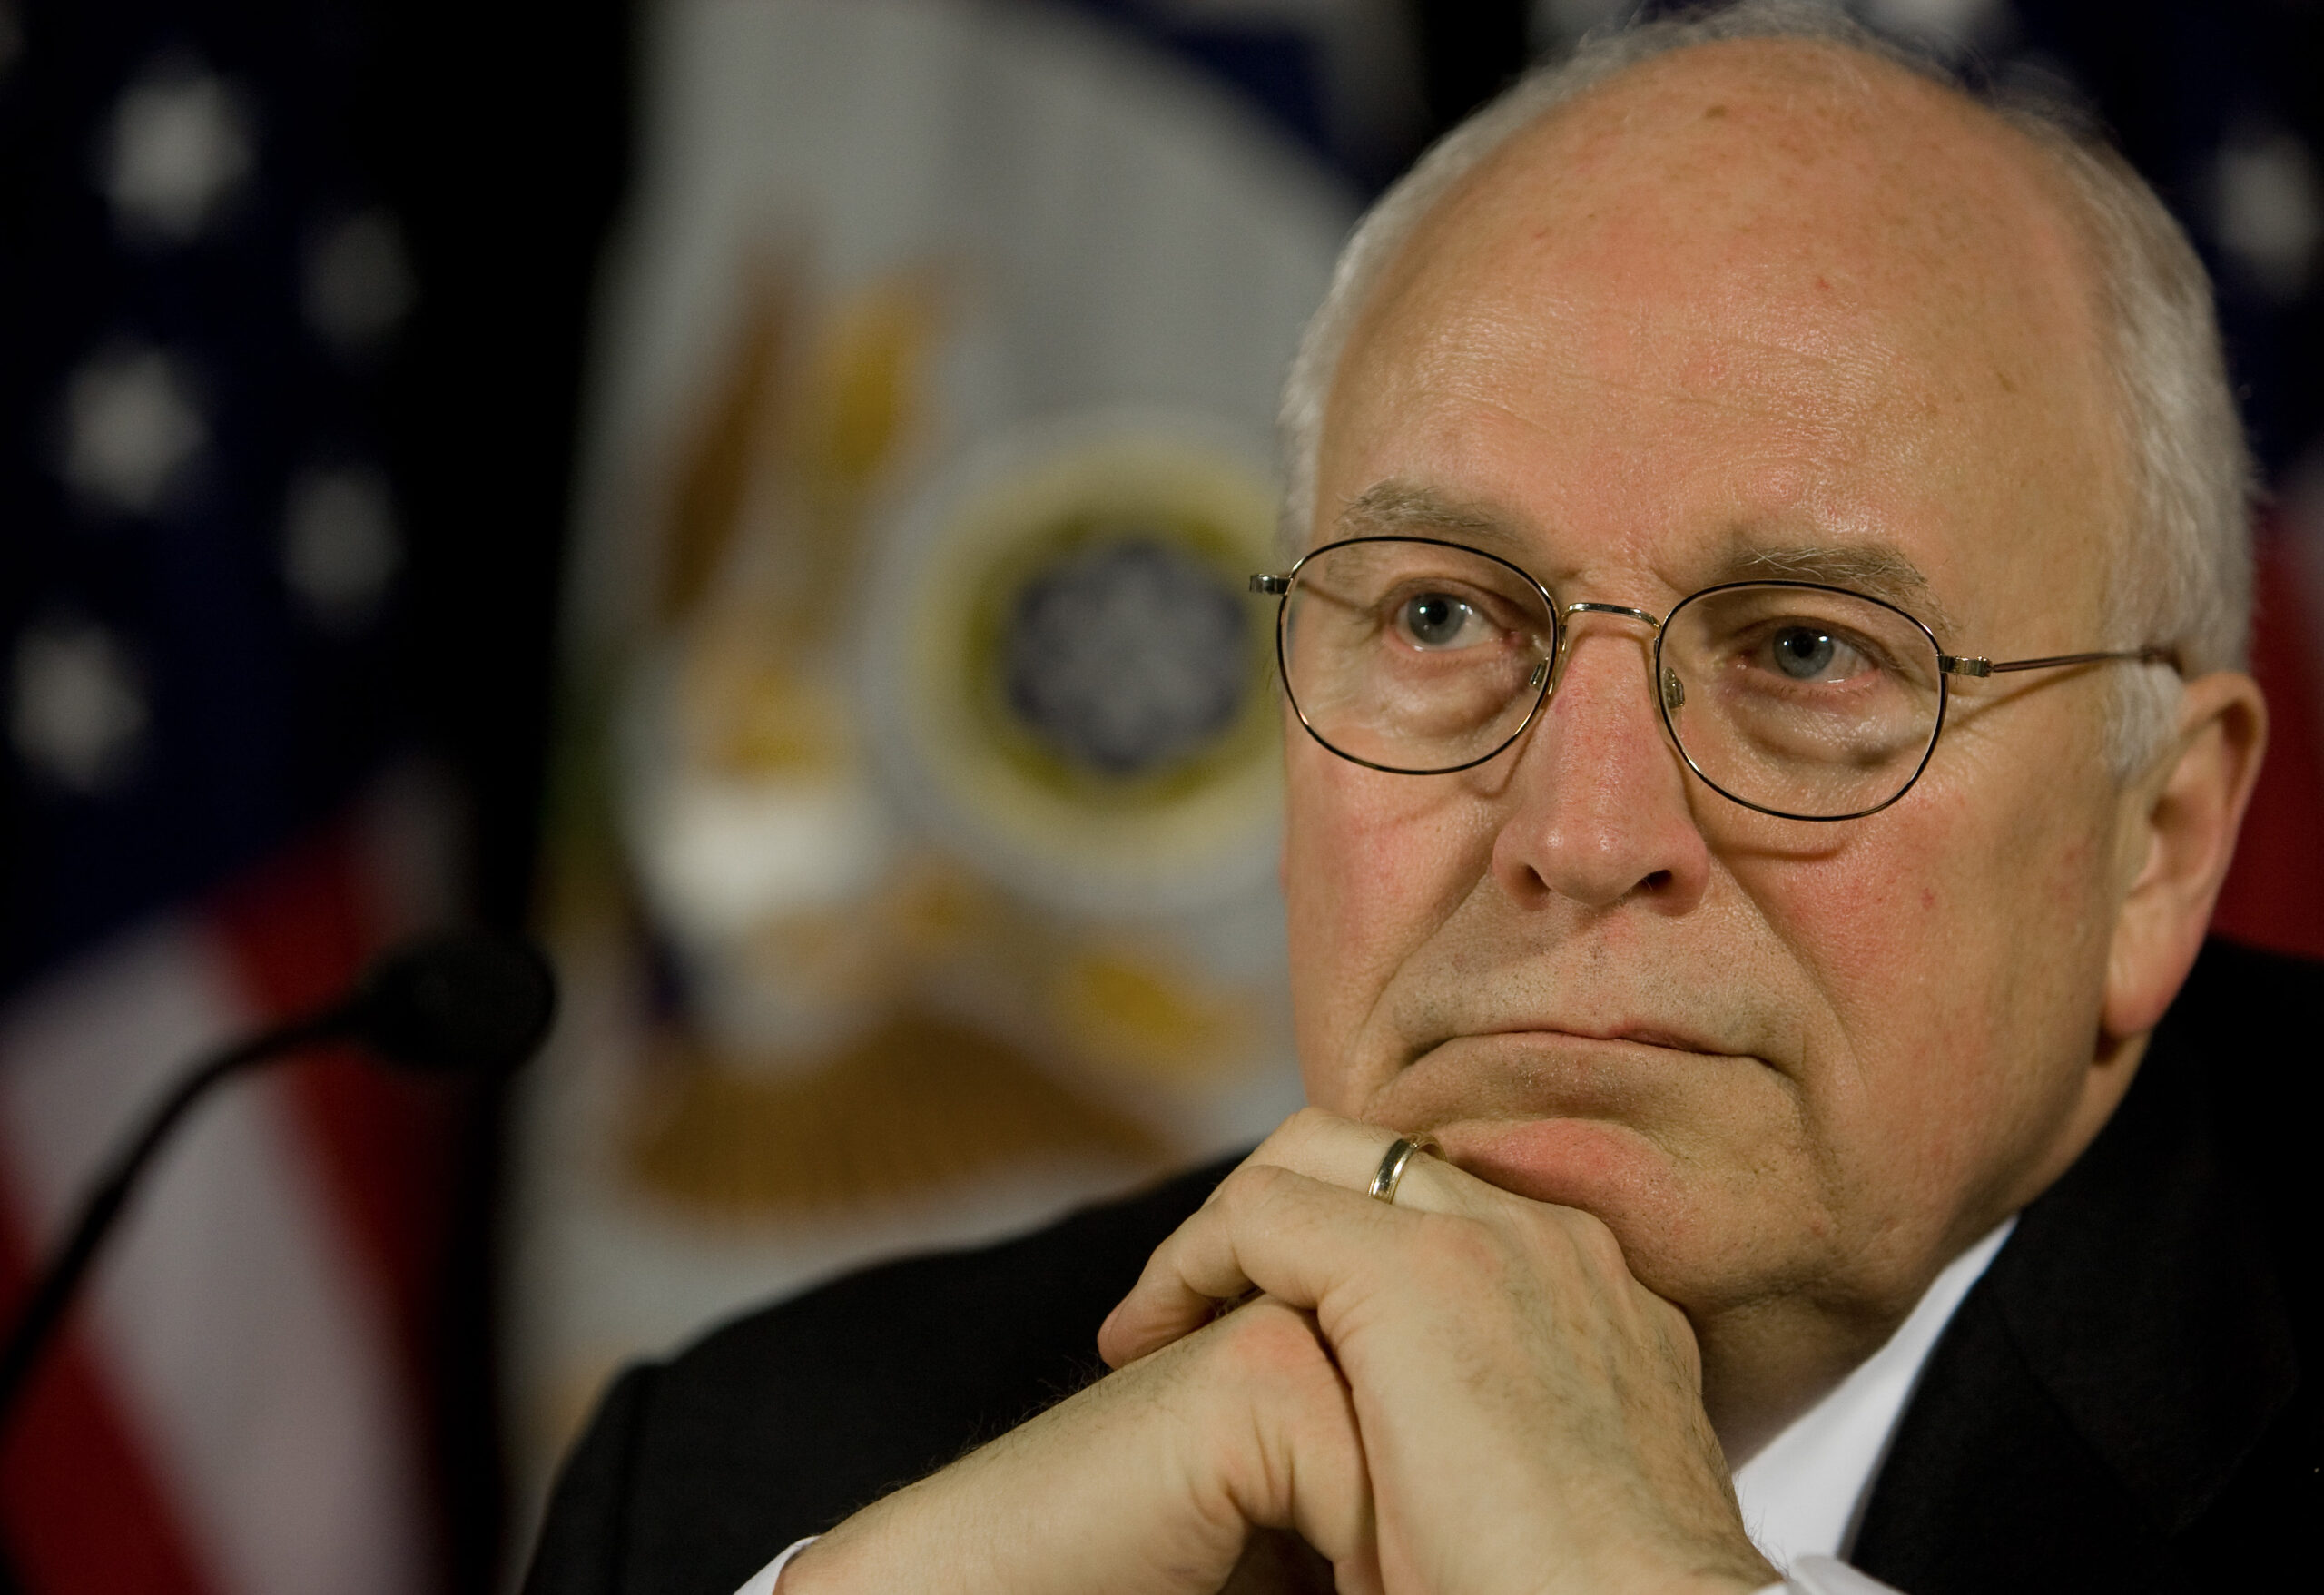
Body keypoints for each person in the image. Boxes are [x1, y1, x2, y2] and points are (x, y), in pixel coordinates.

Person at [523, 5, 2319, 1593]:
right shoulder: (783, 1475)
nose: (1580, 835)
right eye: (1442, 617)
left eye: (1803, 654)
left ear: (2155, 843)